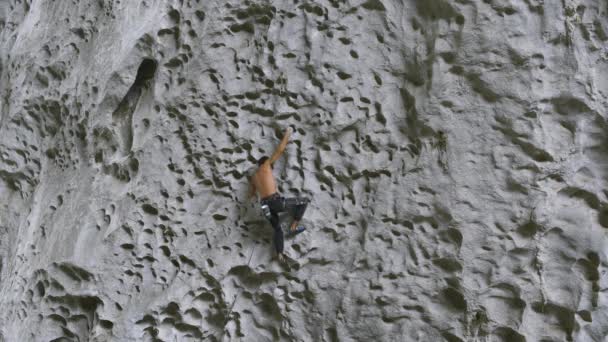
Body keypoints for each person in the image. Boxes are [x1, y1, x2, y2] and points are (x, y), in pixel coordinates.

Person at [249, 127, 309, 262]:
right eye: (271, 165)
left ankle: (280, 253)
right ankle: (293, 226)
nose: (272, 167)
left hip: (264, 207)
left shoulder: (253, 178)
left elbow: (252, 195)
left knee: (277, 229)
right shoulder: (265, 166)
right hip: (274, 202)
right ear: (264, 162)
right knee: (304, 201)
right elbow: (280, 150)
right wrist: (287, 134)